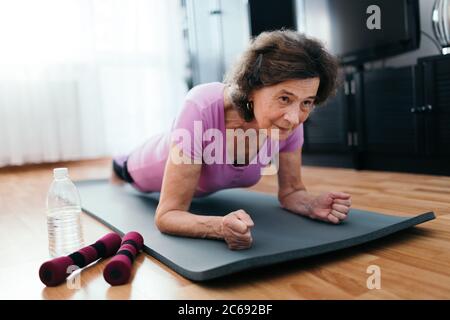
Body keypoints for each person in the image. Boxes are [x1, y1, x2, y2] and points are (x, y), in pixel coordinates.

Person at [112, 30, 352, 250]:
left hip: (191, 175)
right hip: (141, 166)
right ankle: (116, 165)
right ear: (251, 88)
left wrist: (311, 204)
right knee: (121, 167)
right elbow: (168, 215)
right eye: (284, 98)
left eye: (306, 102)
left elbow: (291, 192)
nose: (294, 117)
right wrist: (218, 227)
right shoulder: (200, 105)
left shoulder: (288, 122)